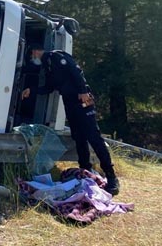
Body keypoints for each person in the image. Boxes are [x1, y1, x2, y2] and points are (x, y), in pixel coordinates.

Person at [21, 49, 120, 195]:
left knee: (94, 137)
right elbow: (49, 88)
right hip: (70, 103)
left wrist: (82, 90)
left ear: (35, 52)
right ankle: (85, 172)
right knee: (79, 138)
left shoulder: (56, 56)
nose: (32, 59)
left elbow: (75, 70)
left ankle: (111, 177)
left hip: (82, 100)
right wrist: (32, 91)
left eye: (31, 56)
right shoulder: (47, 66)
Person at [15, 44, 44, 126]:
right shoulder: (28, 66)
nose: (32, 57)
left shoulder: (42, 67)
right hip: (25, 95)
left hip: (32, 98)